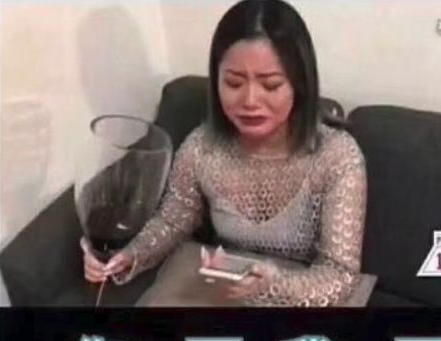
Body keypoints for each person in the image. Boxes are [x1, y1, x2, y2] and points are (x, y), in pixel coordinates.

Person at [82, 0, 367, 307]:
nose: (250, 100)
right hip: (222, 293)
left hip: (300, 302)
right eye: (233, 82)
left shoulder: (337, 157)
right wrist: (128, 255)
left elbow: (340, 274)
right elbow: (173, 222)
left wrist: (275, 287)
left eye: (270, 85)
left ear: (300, 85)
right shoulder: (201, 148)